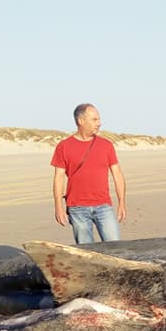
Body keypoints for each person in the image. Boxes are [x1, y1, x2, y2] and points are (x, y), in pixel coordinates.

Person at [51, 103, 127, 244]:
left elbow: (117, 175)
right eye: (94, 119)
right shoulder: (63, 146)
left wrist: (122, 202)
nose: (99, 123)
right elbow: (59, 177)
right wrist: (58, 206)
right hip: (77, 208)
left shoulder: (106, 145)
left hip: (104, 206)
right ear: (81, 121)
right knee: (87, 251)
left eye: (98, 119)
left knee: (115, 248)